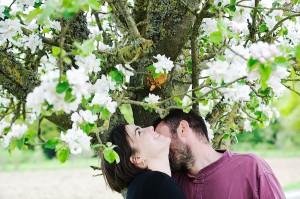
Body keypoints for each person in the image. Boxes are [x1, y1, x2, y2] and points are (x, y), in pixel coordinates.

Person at [154, 108, 286, 199]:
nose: (160, 147)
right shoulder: (172, 181)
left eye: (160, 137)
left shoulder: (251, 166)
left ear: (183, 129)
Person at [101, 124, 187, 199]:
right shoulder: (156, 183)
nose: (151, 127)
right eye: (139, 132)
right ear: (137, 158)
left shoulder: (142, 188)